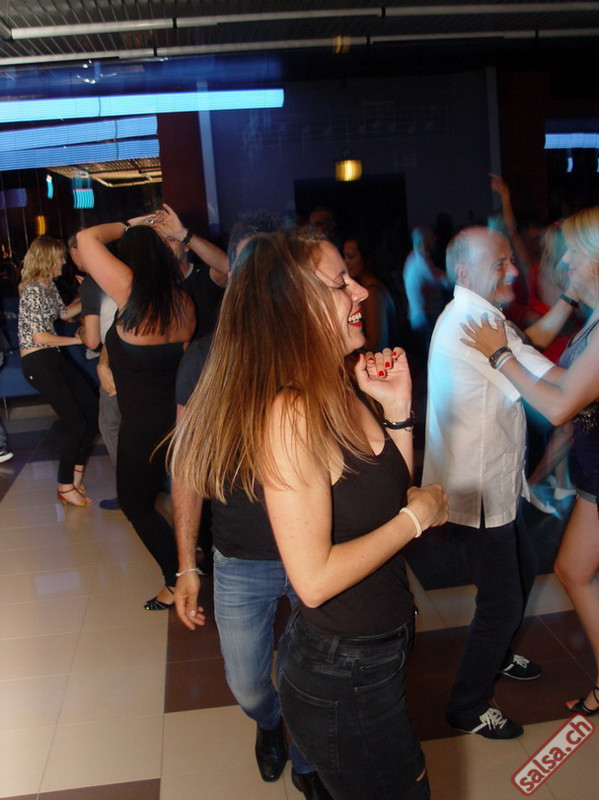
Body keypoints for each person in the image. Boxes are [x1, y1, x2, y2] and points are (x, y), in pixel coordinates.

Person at [169, 230, 447, 800]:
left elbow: (388, 502)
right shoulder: (291, 411)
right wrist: (415, 521)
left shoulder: (340, 380)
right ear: (296, 304)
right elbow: (315, 580)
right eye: (340, 283)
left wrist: (397, 413)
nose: (360, 291)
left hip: (380, 646)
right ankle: (277, 731)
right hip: (344, 671)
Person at [422, 225, 578, 740]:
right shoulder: (474, 323)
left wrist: (571, 304)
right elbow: (551, 388)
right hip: (478, 491)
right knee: (502, 602)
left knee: (523, 569)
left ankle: (499, 652)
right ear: (466, 273)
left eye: (510, 260)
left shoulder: (477, 314)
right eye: (501, 264)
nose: (513, 270)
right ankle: (466, 705)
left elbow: (529, 350)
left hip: (493, 485)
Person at [460, 206, 599, 718]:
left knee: (573, 570)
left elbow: (560, 405)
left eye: (573, 255)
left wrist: (500, 356)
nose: (563, 264)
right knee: (572, 570)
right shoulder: (593, 316)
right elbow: (551, 362)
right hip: (593, 478)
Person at [76, 216, 196, 609]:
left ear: (130, 261)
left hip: (142, 426)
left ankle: (174, 580)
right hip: (181, 419)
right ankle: (196, 562)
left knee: (136, 504)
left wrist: (131, 224)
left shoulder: (130, 292)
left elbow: (86, 238)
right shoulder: (183, 302)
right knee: (188, 496)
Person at [18, 236, 98, 505]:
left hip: (52, 358)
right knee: (75, 422)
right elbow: (39, 337)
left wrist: (89, 292)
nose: (64, 261)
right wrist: (78, 340)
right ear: (48, 259)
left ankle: (76, 475)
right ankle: (64, 486)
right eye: (60, 257)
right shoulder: (33, 290)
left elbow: (64, 314)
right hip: (38, 361)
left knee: (91, 409)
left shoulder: (48, 285)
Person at [70, 235, 121, 510]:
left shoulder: (92, 283)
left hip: (114, 360)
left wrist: (80, 331)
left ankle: (129, 489)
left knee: (111, 425)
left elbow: (91, 340)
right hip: (144, 357)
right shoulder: (123, 273)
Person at [342, 235, 398, 350]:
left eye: (351, 257)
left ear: (366, 258)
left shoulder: (373, 293)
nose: (345, 262)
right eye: (344, 256)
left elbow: (376, 345)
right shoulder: (371, 288)